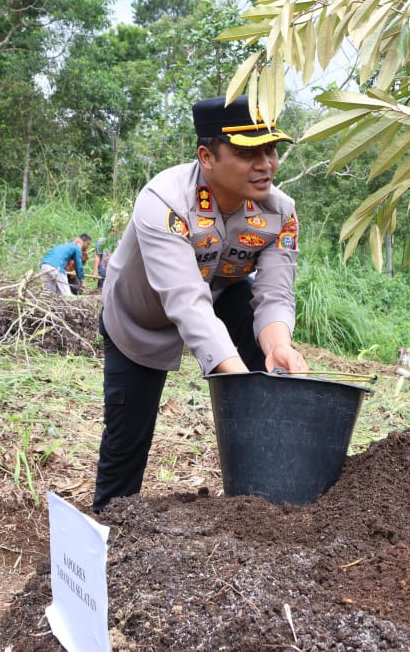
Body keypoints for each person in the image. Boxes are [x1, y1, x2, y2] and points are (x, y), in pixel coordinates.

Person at [93, 95, 308, 512]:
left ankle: (261, 507)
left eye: (271, 149)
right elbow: (186, 302)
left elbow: (275, 293)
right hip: (139, 320)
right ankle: (110, 532)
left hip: (222, 301)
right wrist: (235, 378)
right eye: (249, 152)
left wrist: (277, 343)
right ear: (207, 156)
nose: (265, 164)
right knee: (127, 440)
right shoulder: (164, 202)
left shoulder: (281, 213)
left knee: (266, 389)